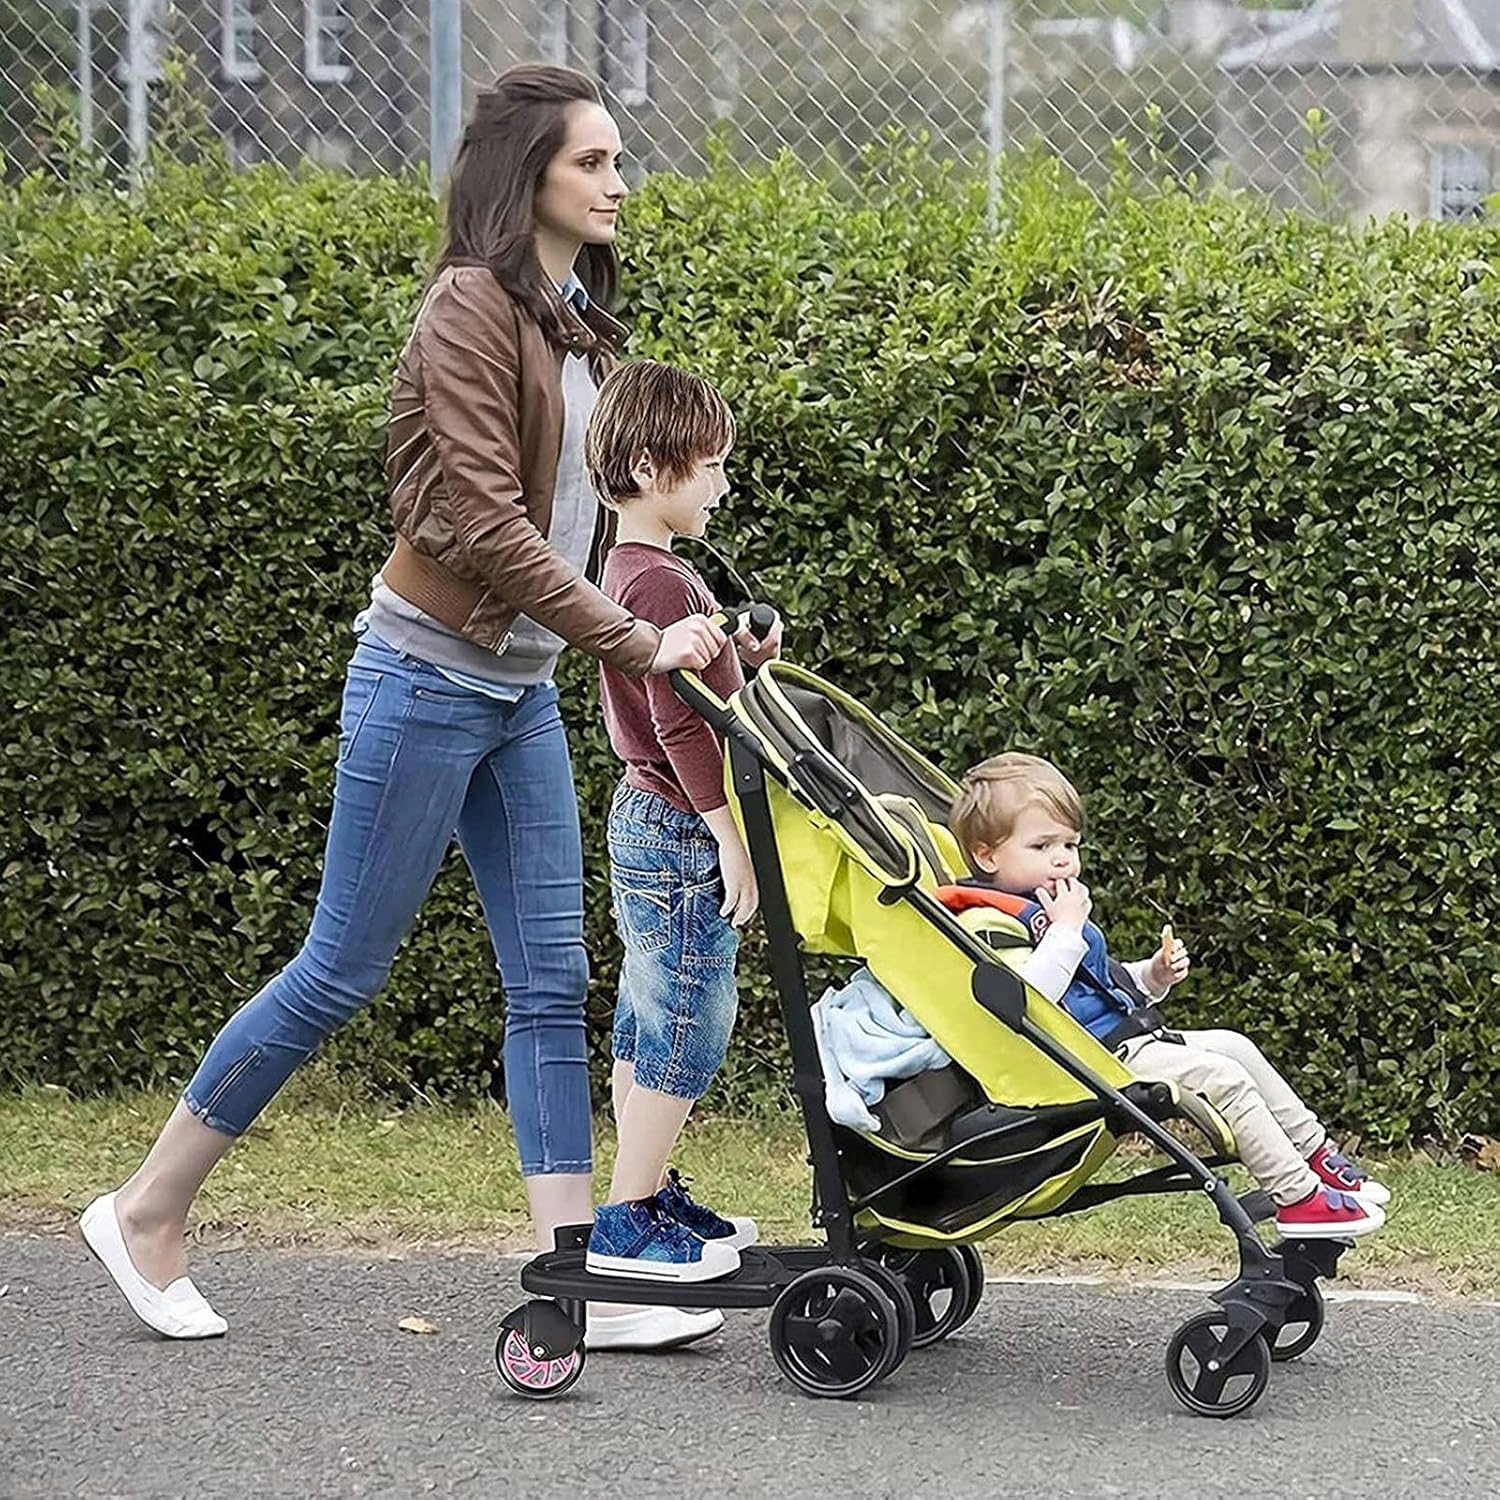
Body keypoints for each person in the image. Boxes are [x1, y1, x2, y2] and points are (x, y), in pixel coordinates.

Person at [81, 66, 728, 1351]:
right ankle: (146, 1209)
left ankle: (575, 1280)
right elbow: (485, 522)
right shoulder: (469, 306)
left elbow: (598, 509)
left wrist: (697, 608)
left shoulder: (572, 318)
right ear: (527, 174)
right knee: (341, 969)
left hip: (516, 691)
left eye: (616, 160)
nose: (618, 182)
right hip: (426, 674)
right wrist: (636, 639)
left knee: (550, 980)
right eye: (592, 161)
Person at [940, 752, 1390, 1240]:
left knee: (1235, 1045)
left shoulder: (1046, 909)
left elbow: (1098, 990)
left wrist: (1152, 976)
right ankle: (1298, 1198)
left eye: (1070, 843)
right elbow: (1029, 1004)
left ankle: (1316, 1155)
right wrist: (1066, 929)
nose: (1063, 858)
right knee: (1222, 1076)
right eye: (1042, 845)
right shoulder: (989, 923)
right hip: (1081, 1066)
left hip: (1117, 1045)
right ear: (988, 856)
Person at [583, 360, 782, 1282]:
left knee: (648, 1007)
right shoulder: (662, 584)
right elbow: (681, 725)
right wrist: (729, 836)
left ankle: (646, 1190)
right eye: (710, 466)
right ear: (650, 467)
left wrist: (742, 654)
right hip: (678, 825)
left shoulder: (638, 572)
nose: (722, 483)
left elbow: (695, 692)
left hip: (647, 816)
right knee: (690, 1014)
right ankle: (627, 1217)